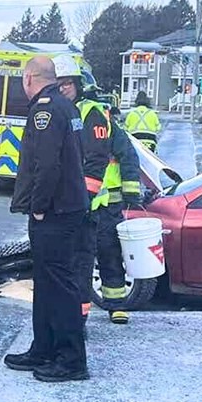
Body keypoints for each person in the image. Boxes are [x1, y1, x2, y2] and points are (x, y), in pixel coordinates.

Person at [6, 55, 111, 383]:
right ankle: (44, 348)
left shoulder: (46, 109)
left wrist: (38, 206)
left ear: (29, 79)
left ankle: (70, 360)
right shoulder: (67, 106)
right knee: (48, 283)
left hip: (55, 211)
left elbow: (47, 165)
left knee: (60, 286)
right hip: (68, 208)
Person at [72, 72, 143, 326]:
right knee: (81, 258)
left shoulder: (104, 122)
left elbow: (128, 157)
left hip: (106, 203)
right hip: (80, 202)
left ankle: (116, 305)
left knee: (109, 252)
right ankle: (78, 310)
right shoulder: (73, 119)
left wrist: (131, 192)